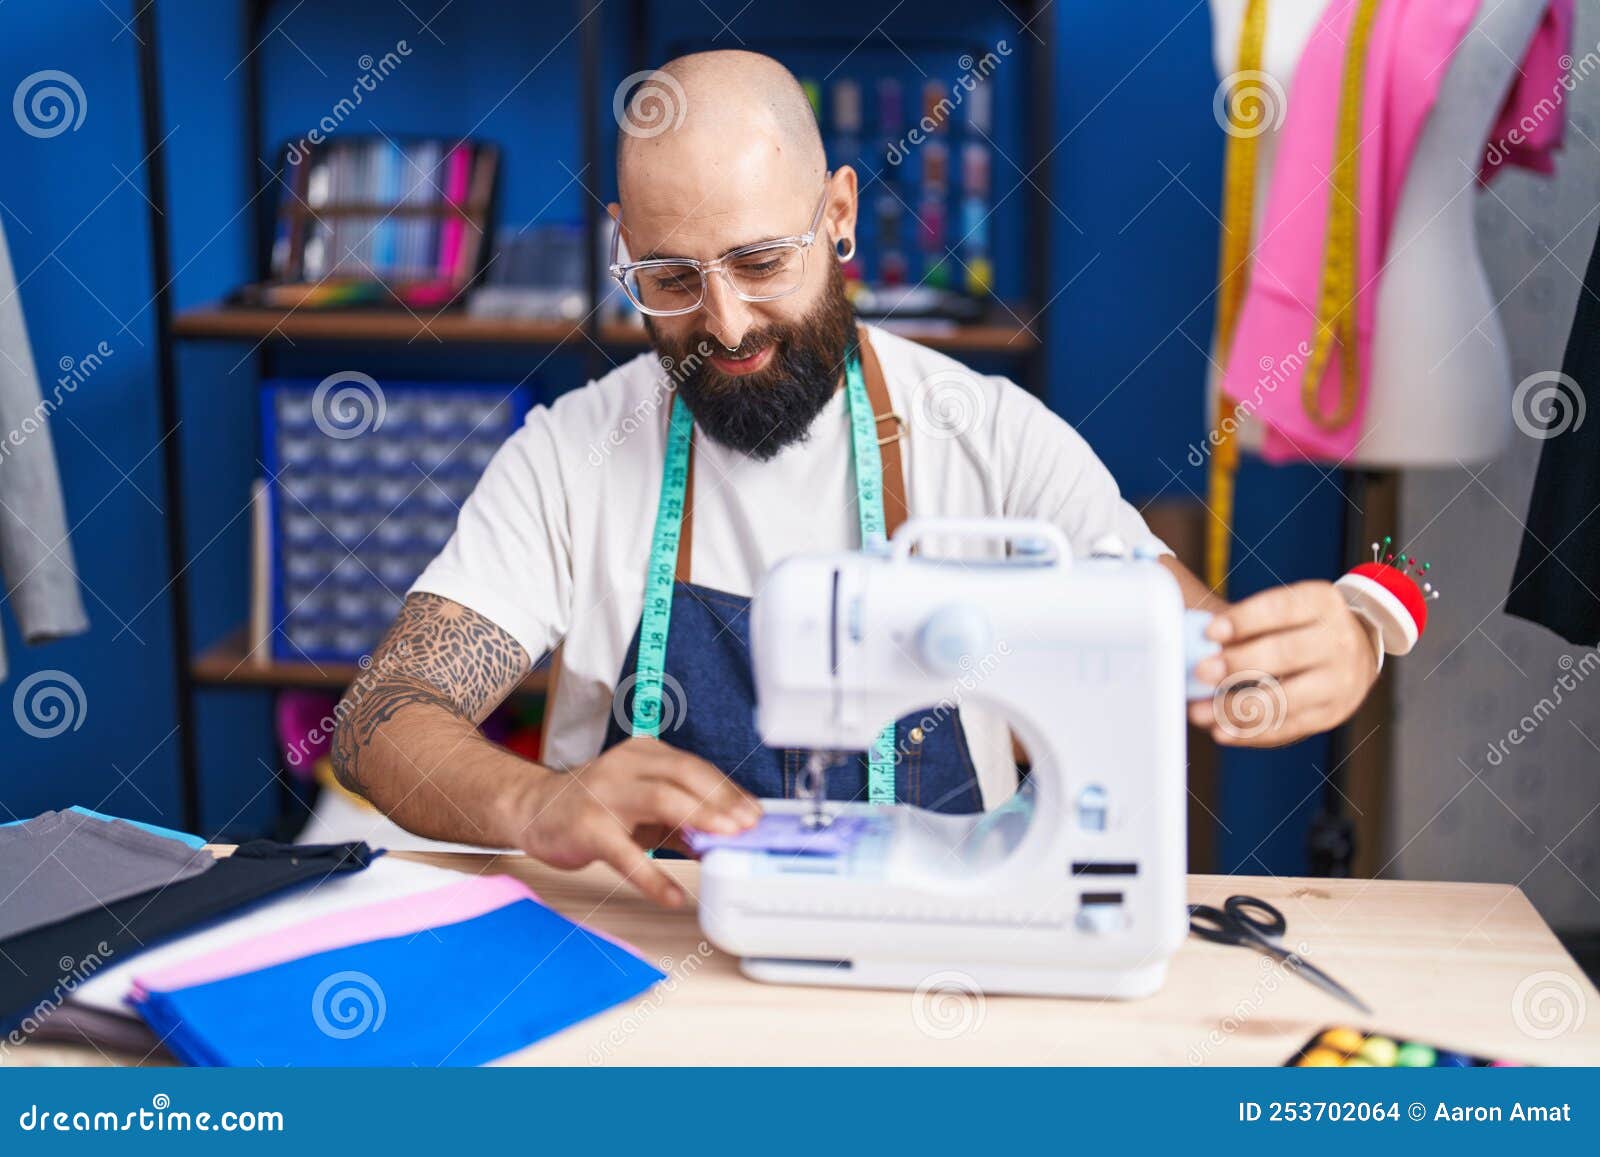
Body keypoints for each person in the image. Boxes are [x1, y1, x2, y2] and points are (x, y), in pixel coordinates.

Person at [331, 50, 1380, 906]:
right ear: (625, 247)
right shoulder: (572, 456)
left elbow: (1193, 647)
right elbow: (381, 714)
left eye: (759, 263)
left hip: (941, 962)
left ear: (838, 214)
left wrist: (1355, 622)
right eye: (669, 279)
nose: (725, 324)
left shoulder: (990, 438)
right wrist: (535, 807)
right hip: (645, 954)